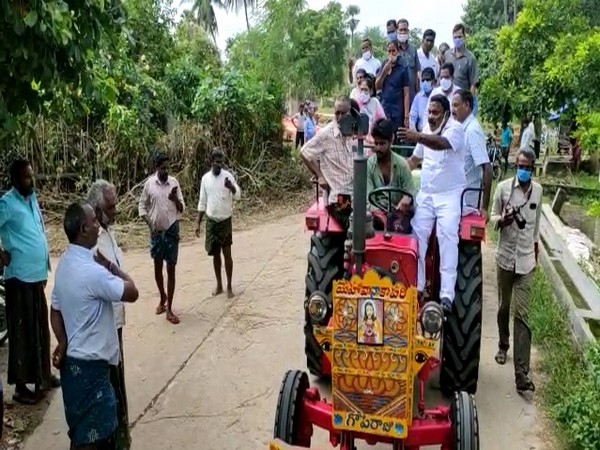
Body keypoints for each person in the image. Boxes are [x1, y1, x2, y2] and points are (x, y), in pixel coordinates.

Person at [50, 201, 139, 450]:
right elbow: (132, 292)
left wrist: (63, 341)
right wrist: (110, 265)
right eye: (94, 221)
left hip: (74, 371)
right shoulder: (92, 272)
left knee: (80, 435)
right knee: (98, 440)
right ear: (83, 229)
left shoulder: (66, 263)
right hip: (93, 372)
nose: (98, 225)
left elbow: (55, 308)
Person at [399, 94, 466, 312]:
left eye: (435, 112)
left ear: (446, 114)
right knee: (416, 235)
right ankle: (416, 287)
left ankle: (446, 295)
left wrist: (416, 136)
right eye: (428, 112)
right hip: (427, 195)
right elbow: (414, 160)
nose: (431, 116)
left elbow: (440, 144)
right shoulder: (426, 131)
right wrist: (395, 171)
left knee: (447, 236)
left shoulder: (455, 130)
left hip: (449, 195)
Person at [0, 159, 59, 405]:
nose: (31, 181)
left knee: (39, 330)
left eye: (32, 176)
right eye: (26, 177)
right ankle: (21, 387)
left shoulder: (31, 198)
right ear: (14, 180)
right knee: (23, 333)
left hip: (35, 276)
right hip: (18, 277)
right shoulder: (6, 203)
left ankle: (43, 375)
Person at [489, 149, 542, 397]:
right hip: (505, 257)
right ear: (515, 165)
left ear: (533, 167)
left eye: (528, 166)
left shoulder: (538, 191)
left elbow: (536, 225)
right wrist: (503, 220)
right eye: (520, 165)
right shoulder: (502, 188)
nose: (524, 170)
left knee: (522, 314)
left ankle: (522, 374)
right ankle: (503, 344)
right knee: (503, 307)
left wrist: (536, 249)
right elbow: (491, 217)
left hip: (526, 261)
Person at [87, 180, 131, 450]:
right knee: (109, 389)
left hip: (115, 323)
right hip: (103, 328)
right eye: (110, 206)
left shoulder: (107, 230)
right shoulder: (92, 243)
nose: (115, 210)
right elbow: (126, 289)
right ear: (95, 208)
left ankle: (120, 438)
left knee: (117, 384)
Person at [138, 153, 185, 324]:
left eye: (168, 167)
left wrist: (174, 199)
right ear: (156, 167)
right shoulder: (149, 184)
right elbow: (142, 206)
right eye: (163, 168)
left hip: (172, 230)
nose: (166, 171)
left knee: (171, 269)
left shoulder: (174, 183)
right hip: (156, 232)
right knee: (158, 268)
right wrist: (150, 226)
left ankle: (170, 309)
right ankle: (162, 297)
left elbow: (182, 208)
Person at [300, 96, 355, 231]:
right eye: (337, 113)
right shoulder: (326, 134)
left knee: (377, 224)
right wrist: (319, 175)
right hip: (339, 198)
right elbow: (304, 152)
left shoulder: (355, 133)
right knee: (355, 227)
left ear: (351, 113)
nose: (340, 117)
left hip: (356, 196)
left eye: (344, 113)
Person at [195, 148, 241, 299]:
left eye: (221, 162)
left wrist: (231, 187)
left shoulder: (228, 177)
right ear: (211, 162)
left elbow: (238, 196)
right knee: (215, 255)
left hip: (225, 220)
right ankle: (219, 284)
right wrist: (198, 223)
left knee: (227, 254)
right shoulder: (205, 179)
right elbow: (202, 202)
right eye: (217, 162)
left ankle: (229, 286)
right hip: (212, 221)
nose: (219, 165)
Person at [367, 119, 414, 233]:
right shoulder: (369, 165)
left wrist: (406, 200)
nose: (378, 148)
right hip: (376, 214)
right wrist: (379, 214)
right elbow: (367, 198)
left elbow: (410, 192)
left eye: (382, 144)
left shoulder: (402, 164)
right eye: (376, 143)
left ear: (391, 141)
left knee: (402, 230)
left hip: (398, 213)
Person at [451, 90, 492, 216]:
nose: (453, 110)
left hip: (468, 204)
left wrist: (484, 208)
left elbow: (487, 167)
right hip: (456, 201)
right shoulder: (460, 128)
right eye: (452, 105)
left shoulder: (473, 131)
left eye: (456, 105)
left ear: (467, 105)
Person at [443, 23, 480, 115]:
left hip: (463, 102)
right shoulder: (447, 55)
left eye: (460, 37)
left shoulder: (470, 58)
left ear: (464, 37)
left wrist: (469, 105)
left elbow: (473, 85)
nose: (457, 40)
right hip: (448, 100)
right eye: (455, 37)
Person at [376, 40, 410, 134]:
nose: (391, 54)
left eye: (393, 51)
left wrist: (406, 116)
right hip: (385, 107)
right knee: (384, 134)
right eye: (389, 51)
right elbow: (377, 86)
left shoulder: (403, 67)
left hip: (397, 110)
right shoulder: (384, 64)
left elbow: (406, 93)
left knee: (396, 136)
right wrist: (384, 72)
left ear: (398, 51)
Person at [396, 18, 421, 105]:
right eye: (401, 30)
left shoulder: (413, 49)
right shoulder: (393, 49)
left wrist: (418, 91)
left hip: (412, 95)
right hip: (398, 96)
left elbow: (417, 71)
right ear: (397, 31)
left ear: (408, 31)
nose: (403, 32)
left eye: (405, 30)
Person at [409, 67, 436, 132]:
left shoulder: (437, 95)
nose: (425, 82)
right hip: (421, 132)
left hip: (435, 133)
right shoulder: (418, 97)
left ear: (433, 81)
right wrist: (412, 127)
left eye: (428, 80)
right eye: (423, 80)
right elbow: (413, 115)